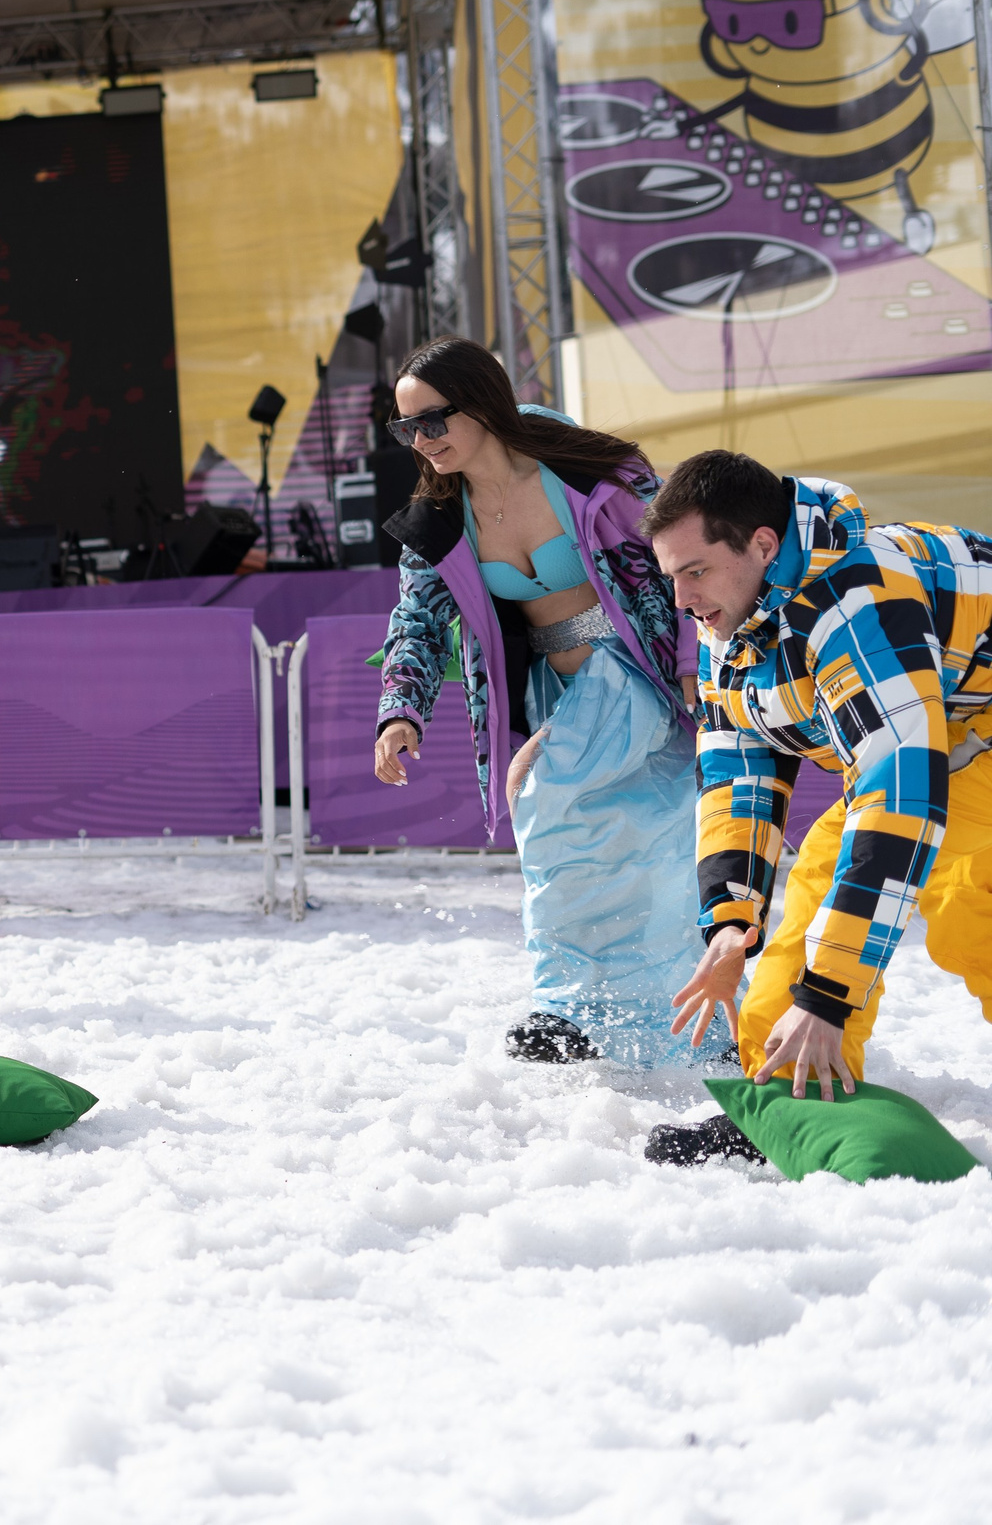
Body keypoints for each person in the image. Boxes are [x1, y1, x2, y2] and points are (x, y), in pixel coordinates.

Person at [646, 453, 992, 1165]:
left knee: (967, 905)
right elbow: (739, 766)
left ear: (763, 545)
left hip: (966, 741)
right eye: (671, 575)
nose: (682, 600)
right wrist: (732, 918)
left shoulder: (858, 603)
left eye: (696, 571)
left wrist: (832, 997)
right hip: (942, 741)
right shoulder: (736, 612)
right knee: (804, 929)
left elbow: (902, 795)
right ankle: (785, 1104)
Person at [372, 337, 704, 1067]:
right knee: (638, 857)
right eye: (407, 429)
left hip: (633, 674)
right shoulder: (438, 515)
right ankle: (609, 1020)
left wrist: (691, 663)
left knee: (552, 814)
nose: (422, 442)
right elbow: (417, 620)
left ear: (482, 403)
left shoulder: (588, 473)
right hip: (550, 692)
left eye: (433, 420)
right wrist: (402, 710)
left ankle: (559, 1008)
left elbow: (679, 560)